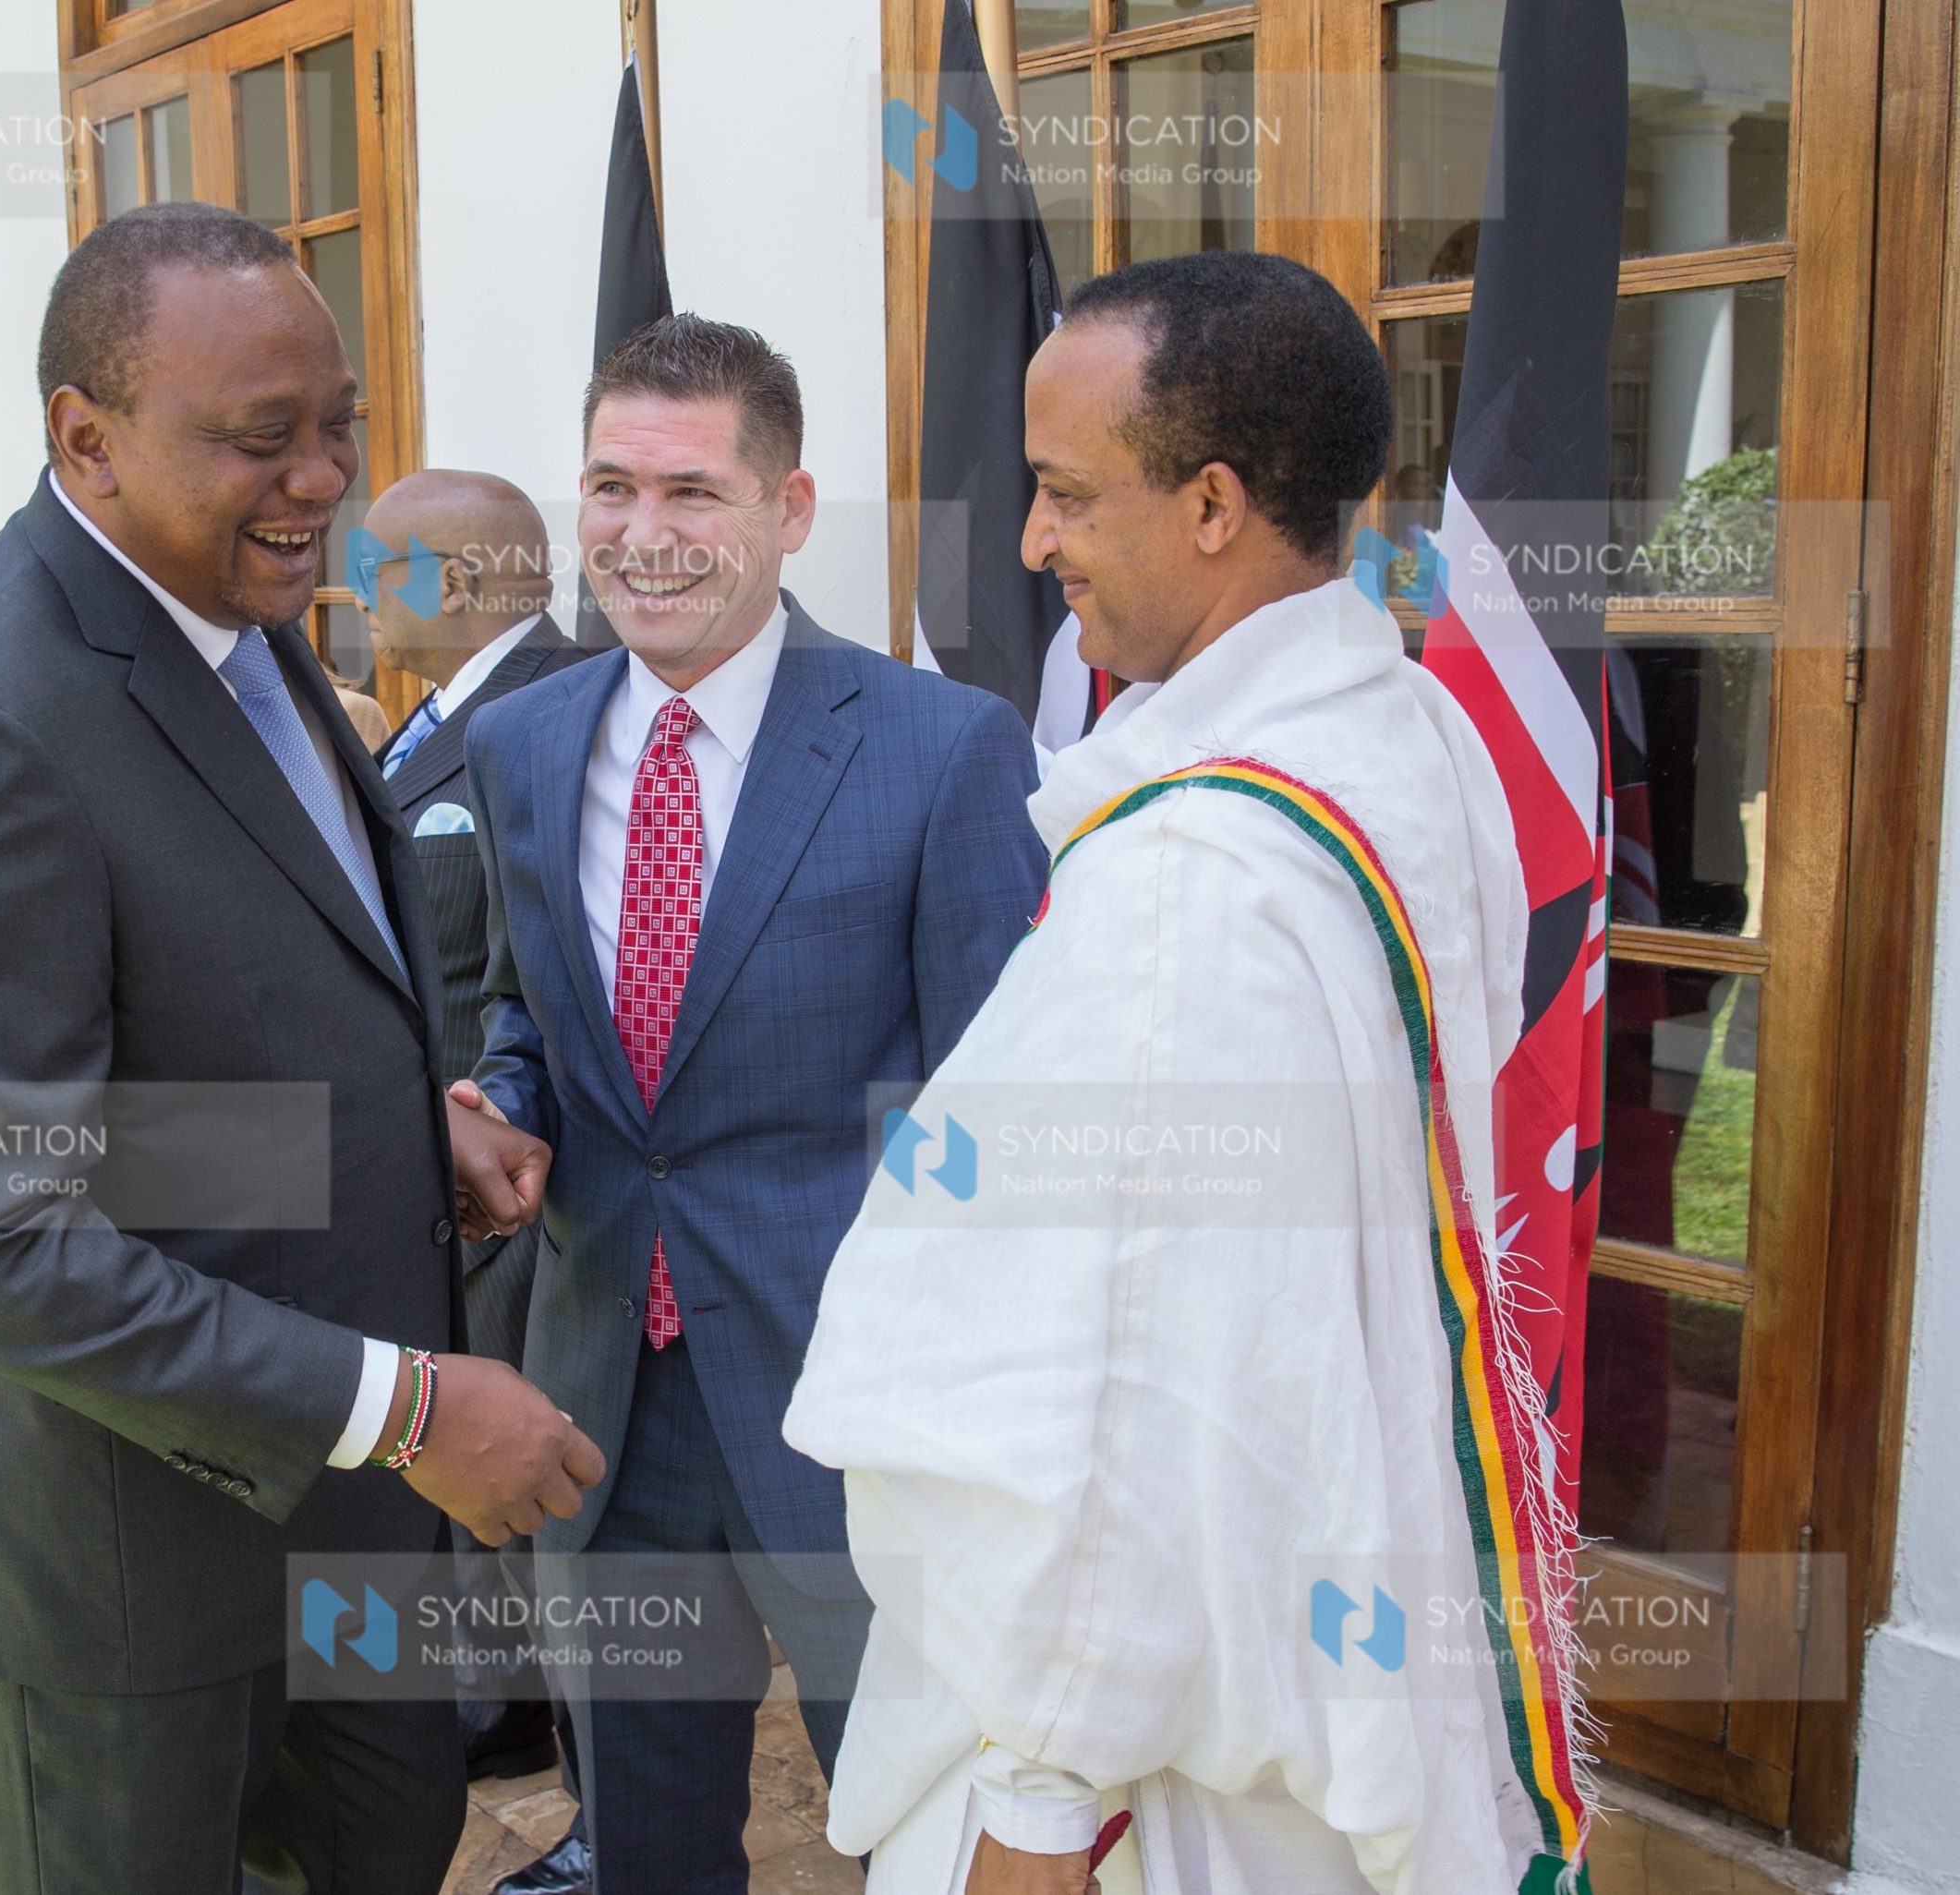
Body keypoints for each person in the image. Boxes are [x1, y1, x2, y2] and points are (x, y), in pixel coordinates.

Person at [0, 201, 602, 1895]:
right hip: (118, 1578)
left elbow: (183, 1055)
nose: (321, 479)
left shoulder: (243, 625)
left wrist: (409, 1129)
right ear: (83, 440)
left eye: (339, 426)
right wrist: (406, 1407)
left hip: (343, 1552)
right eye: (262, 438)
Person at [784, 252, 1591, 1894]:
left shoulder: (1186, 890)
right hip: (1330, 1626)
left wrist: (1033, 1806)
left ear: (1214, 502)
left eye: (1067, 493)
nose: (1032, 542)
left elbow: (1109, 1398)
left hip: (1164, 1780)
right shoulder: (1410, 737)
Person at [464, 314, 1048, 1895]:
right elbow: (535, 1008)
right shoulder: (517, 747)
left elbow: (1003, 1106)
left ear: (790, 509)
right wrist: (493, 1097)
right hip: (607, 1413)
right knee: (648, 1847)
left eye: (692, 492)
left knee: (919, 1826)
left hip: (858, 1418)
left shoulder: (940, 750)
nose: (643, 537)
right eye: (609, 488)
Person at [368, 469, 593, 1808]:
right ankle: (502, 1704)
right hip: (441, 1180)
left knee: (541, 1502)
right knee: (467, 1487)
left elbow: (549, 983)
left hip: (516, 1183)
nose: (352, 593)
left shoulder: (560, 714)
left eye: (376, 568)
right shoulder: (430, 722)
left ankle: (597, 1800)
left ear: (453, 586)